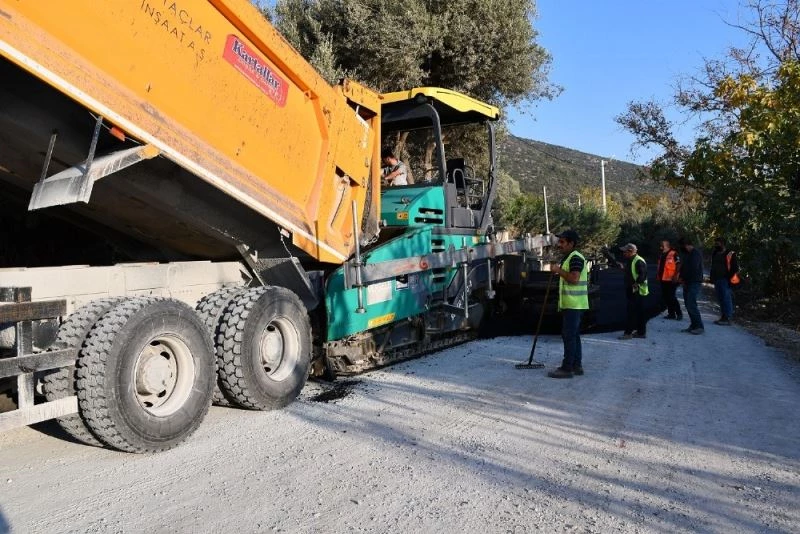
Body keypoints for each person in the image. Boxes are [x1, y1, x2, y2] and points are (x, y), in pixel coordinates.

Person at [547, 229, 589, 379]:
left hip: (574, 304)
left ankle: (567, 368)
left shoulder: (575, 258)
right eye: (560, 241)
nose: (560, 244)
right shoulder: (570, 257)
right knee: (574, 335)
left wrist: (558, 270)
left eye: (563, 242)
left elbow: (574, 279)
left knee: (569, 335)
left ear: (571, 243)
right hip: (573, 304)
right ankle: (577, 366)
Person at [617, 243, 649, 340]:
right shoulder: (632, 260)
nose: (623, 253)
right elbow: (631, 272)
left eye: (625, 251)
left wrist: (636, 284)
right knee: (639, 312)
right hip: (635, 290)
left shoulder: (638, 261)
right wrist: (623, 268)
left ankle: (628, 333)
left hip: (637, 291)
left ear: (630, 251)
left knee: (631, 312)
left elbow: (642, 275)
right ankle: (641, 332)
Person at [710, 237, 739, 325]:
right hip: (716, 279)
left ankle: (727, 318)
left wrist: (729, 278)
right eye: (715, 243)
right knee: (720, 299)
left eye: (717, 243)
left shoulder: (730, 253)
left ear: (722, 243)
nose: (716, 245)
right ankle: (723, 317)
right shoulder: (715, 253)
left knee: (726, 298)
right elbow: (713, 265)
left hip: (725, 280)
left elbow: (735, 268)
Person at [678, 236, 704, 334]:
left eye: (682, 246)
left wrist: (683, 278)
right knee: (688, 304)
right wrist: (681, 277)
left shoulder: (695, 254)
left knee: (691, 304)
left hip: (694, 282)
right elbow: (684, 267)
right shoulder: (688, 254)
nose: (681, 248)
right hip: (687, 282)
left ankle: (699, 326)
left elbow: (692, 269)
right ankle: (693, 325)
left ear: (686, 245)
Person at [657, 239, 682, 320]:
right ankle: (671, 314)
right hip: (663, 279)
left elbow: (678, 265)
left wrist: (675, 276)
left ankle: (679, 314)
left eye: (662, 244)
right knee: (666, 297)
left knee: (672, 297)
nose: (660, 245)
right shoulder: (662, 254)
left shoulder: (674, 253)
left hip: (671, 280)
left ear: (667, 245)